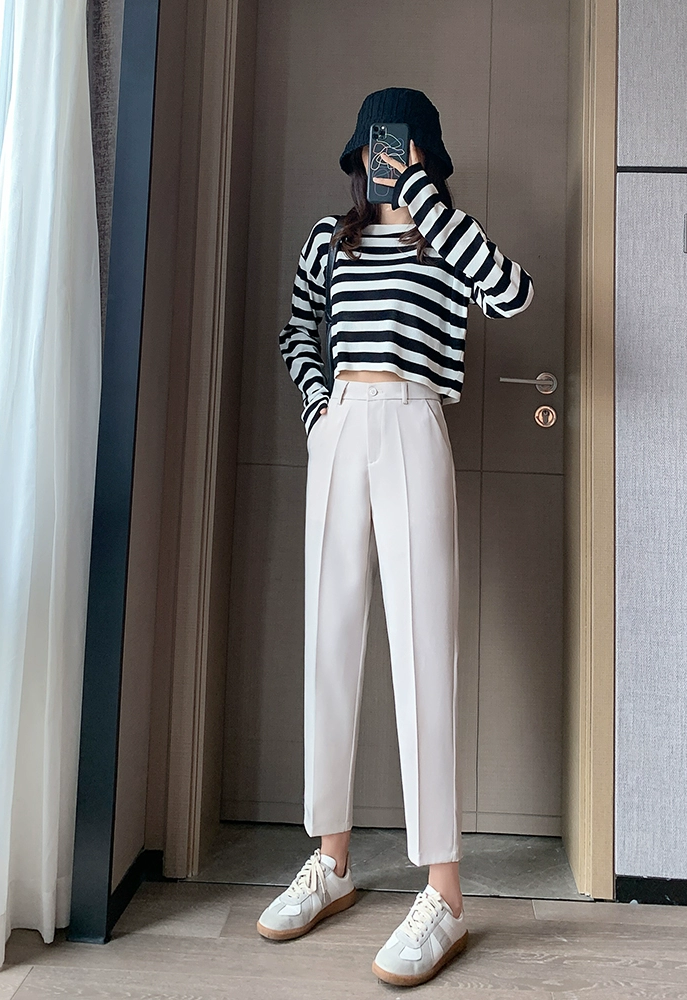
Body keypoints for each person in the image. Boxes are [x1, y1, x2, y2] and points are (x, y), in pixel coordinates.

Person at [260, 88, 534, 987]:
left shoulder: (445, 238)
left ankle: (445, 896)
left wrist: (420, 196)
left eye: (402, 148)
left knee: (423, 651)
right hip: (342, 423)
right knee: (330, 641)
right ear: (358, 154)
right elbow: (298, 330)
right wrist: (317, 410)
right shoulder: (327, 240)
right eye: (377, 148)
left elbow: (513, 294)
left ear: (424, 154)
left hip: (415, 420)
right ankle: (331, 861)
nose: (385, 159)